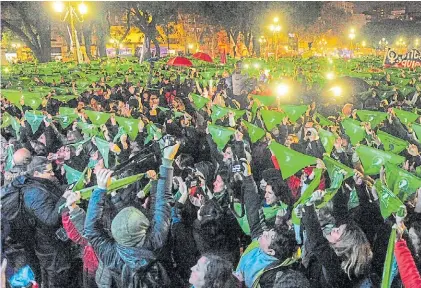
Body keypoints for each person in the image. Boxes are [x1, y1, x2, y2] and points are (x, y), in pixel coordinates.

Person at [84, 136, 179, 287]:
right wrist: (167, 161)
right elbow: (163, 202)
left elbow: (90, 229)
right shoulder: (156, 240)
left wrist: (100, 189)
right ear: (145, 226)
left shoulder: (112, 256)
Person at [21, 156, 72, 287]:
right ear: (36, 173)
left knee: (49, 272)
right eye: (48, 172)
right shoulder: (35, 193)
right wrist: (64, 199)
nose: (52, 174)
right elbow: (50, 219)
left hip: (47, 242)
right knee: (56, 275)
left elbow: (55, 192)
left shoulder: (38, 183)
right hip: (49, 245)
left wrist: (69, 188)